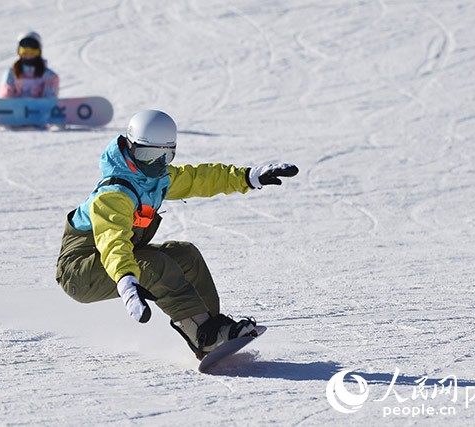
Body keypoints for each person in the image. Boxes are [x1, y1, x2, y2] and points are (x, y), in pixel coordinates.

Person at [55, 110, 298, 359]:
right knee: (154, 265)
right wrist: (127, 282)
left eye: (165, 156)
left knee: (185, 254)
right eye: (148, 155)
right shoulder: (114, 193)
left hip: (113, 261)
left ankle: (214, 328)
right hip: (80, 272)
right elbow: (112, 241)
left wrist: (248, 177)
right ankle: (204, 337)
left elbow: (199, 178)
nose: (156, 164)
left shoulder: (156, 178)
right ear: (131, 148)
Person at [0, 31, 59, 99]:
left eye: (33, 51)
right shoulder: (11, 73)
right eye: (24, 51)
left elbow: (49, 100)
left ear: (39, 52)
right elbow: (5, 98)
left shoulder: (49, 76)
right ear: (19, 51)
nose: (28, 54)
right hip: (15, 109)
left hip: (40, 109)